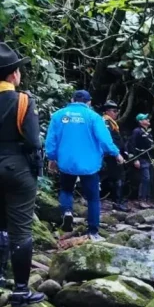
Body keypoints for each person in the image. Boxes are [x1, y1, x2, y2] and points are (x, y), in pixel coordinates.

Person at [0, 42, 45, 307]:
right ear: (13, 74)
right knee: (20, 229)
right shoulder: (23, 100)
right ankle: (19, 290)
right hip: (16, 168)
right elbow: (32, 141)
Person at [46, 90, 124, 240]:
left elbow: (51, 140)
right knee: (93, 198)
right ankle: (93, 232)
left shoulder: (58, 115)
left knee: (66, 190)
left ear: (72, 99)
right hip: (89, 165)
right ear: (89, 102)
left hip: (66, 162)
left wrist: (52, 158)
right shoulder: (94, 117)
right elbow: (104, 139)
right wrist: (116, 153)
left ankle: (67, 212)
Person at [101, 100, 129, 212]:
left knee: (117, 177)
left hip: (116, 154)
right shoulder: (106, 122)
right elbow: (108, 140)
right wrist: (116, 153)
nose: (116, 113)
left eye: (117, 111)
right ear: (107, 111)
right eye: (114, 111)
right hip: (112, 155)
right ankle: (117, 202)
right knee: (118, 177)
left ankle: (117, 200)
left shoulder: (111, 122)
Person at [130, 113, 153, 207]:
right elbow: (132, 145)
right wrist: (135, 159)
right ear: (140, 121)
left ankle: (147, 199)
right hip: (141, 158)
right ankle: (142, 200)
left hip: (149, 158)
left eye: (148, 118)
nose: (148, 120)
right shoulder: (137, 131)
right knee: (145, 178)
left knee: (150, 179)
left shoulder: (149, 132)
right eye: (145, 119)